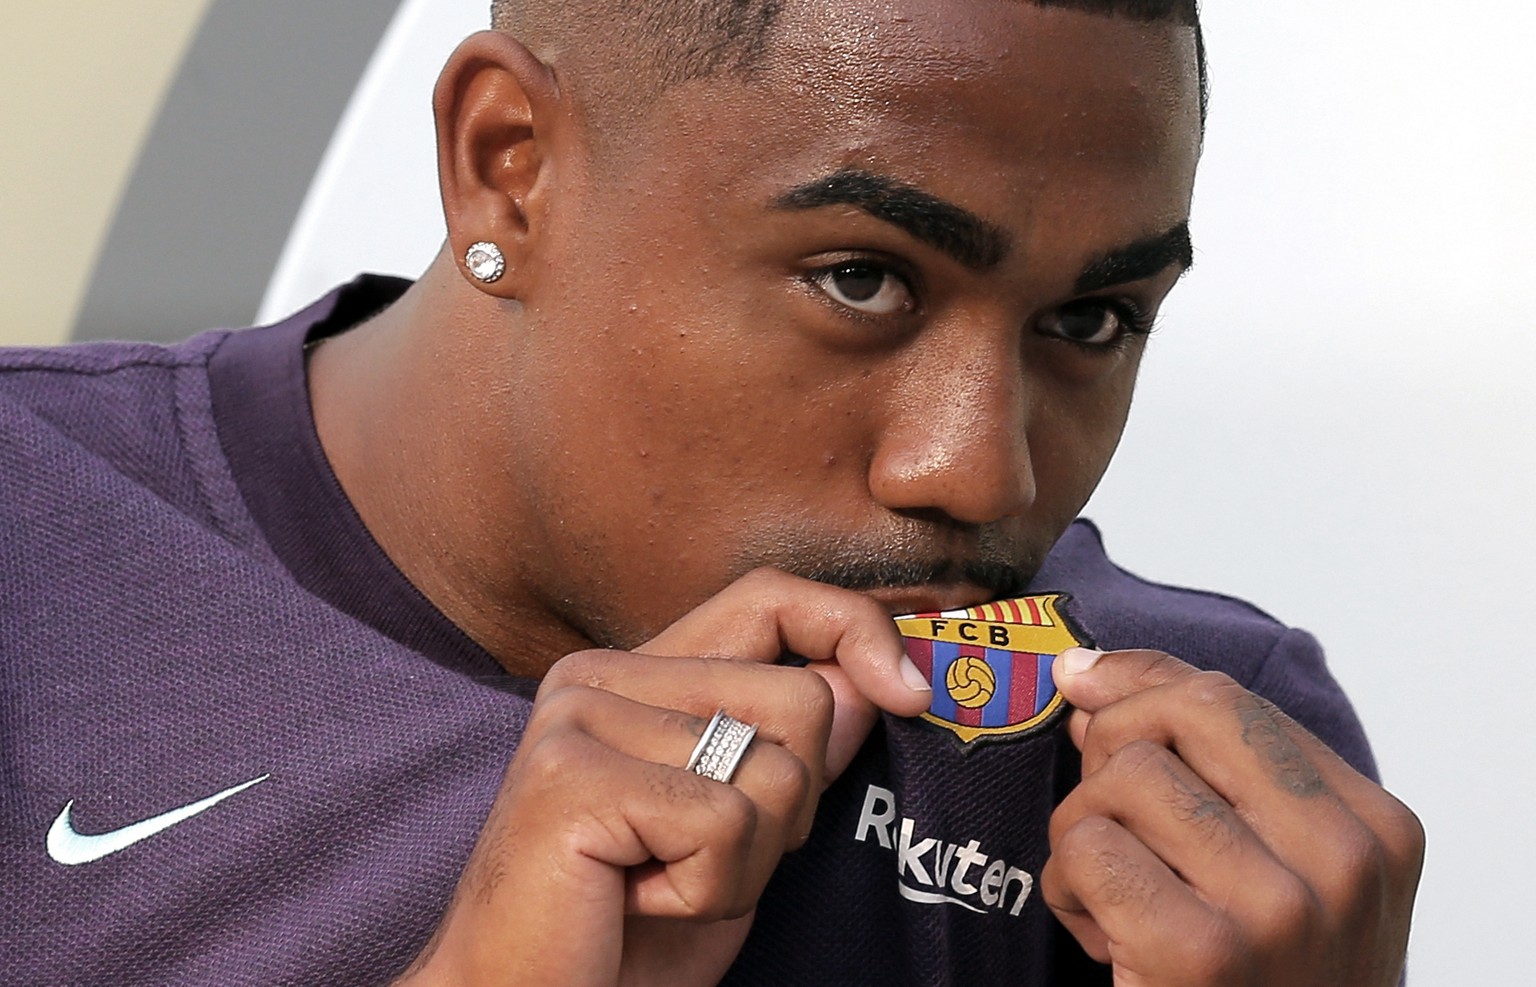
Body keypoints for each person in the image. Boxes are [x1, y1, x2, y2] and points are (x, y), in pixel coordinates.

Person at [1, 0, 1423, 984]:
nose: (982, 472)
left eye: (1093, 319)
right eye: (862, 279)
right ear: (510, 169)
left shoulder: (1210, 806)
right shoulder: (34, 548)